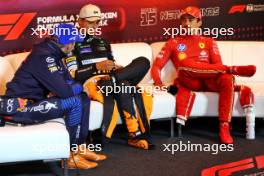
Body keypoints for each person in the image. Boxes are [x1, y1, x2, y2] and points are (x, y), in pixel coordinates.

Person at [0, 24, 106, 169]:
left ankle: (79, 147)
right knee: (74, 101)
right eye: (73, 41)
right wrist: (82, 86)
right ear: (66, 43)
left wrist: (80, 88)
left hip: (34, 102)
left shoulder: (54, 53)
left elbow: (68, 82)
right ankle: (70, 157)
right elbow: (65, 92)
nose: (74, 45)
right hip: (20, 108)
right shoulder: (44, 56)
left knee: (82, 98)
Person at [151, 6, 256, 144]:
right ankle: (232, 68)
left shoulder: (209, 42)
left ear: (199, 22)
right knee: (184, 64)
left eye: (191, 19)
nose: (187, 23)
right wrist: (159, 84)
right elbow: (157, 66)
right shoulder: (173, 42)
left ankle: (224, 126)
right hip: (189, 80)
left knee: (226, 77)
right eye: (184, 20)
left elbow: (218, 67)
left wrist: (219, 71)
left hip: (208, 81)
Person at [64, 4, 154, 150]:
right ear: (80, 21)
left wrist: (116, 68)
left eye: (97, 22)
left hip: (112, 78)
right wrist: (96, 67)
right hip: (93, 82)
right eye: (90, 22)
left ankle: (114, 79)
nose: (94, 25)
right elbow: (74, 75)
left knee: (143, 61)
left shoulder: (103, 42)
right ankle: (134, 135)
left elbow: (111, 63)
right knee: (123, 85)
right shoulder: (70, 43)